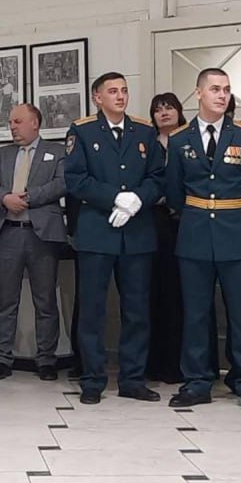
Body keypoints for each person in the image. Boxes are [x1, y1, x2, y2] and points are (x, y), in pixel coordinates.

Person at [165, 68, 241, 413]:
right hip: (194, 236)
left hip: (235, 236)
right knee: (195, 313)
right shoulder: (180, 139)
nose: (222, 95)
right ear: (198, 93)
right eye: (214, 89)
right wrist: (196, 216)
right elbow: (174, 192)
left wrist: (238, 217)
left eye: (226, 90)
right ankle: (197, 380)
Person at [64, 71, 162, 406]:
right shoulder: (83, 131)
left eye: (124, 90)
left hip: (137, 233)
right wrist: (114, 198)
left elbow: (158, 176)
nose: (120, 96)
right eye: (113, 91)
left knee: (137, 310)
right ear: (98, 97)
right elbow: (76, 179)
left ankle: (133, 379)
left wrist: (137, 199)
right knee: (92, 310)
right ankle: (92, 379)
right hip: (97, 231)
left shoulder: (144, 131)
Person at [0, 104, 66, 380]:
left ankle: (46, 359)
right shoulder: (1, 154)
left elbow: (61, 184)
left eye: (17, 121)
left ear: (35, 123)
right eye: (10, 122)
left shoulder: (57, 152)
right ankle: (2, 358)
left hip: (42, 234)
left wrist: (28, 197)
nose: (12, 127)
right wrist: (4, 198)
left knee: (46, 300)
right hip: (8, 233)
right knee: (5, 299)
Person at [147, 92, 186, 384]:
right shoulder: (147, 143)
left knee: (180, 295)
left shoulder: (188, 140)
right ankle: (154, 363)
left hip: (185, 222)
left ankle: (181, 364)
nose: (164, 113)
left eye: (169, 107)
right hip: (153, 221)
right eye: (158, 109)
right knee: (153, 293)